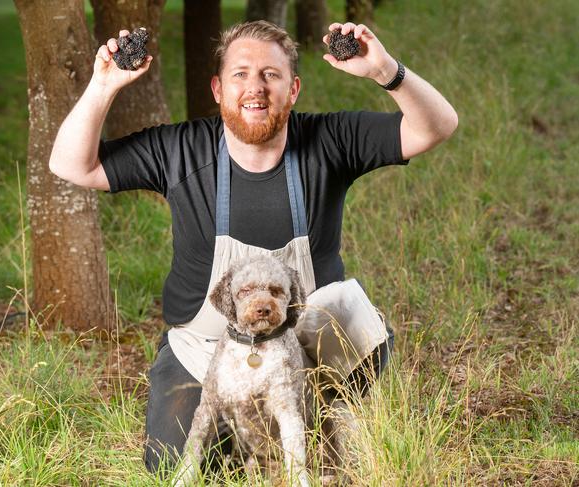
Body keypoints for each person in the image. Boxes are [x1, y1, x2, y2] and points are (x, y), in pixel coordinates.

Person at [49, 20, 457, 471]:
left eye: (271, 74)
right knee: (169, 464)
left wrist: (386, 72)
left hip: (306, 347)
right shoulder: (180, 150)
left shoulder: (331, 141)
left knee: (355, 322)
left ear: (294, 88)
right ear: (217, 89)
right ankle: (247, 437)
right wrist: (103, 85)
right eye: (240, 74)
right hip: (205, 348)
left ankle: (331, 412)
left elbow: (437, 127)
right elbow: (70, 165)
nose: (255, 88)